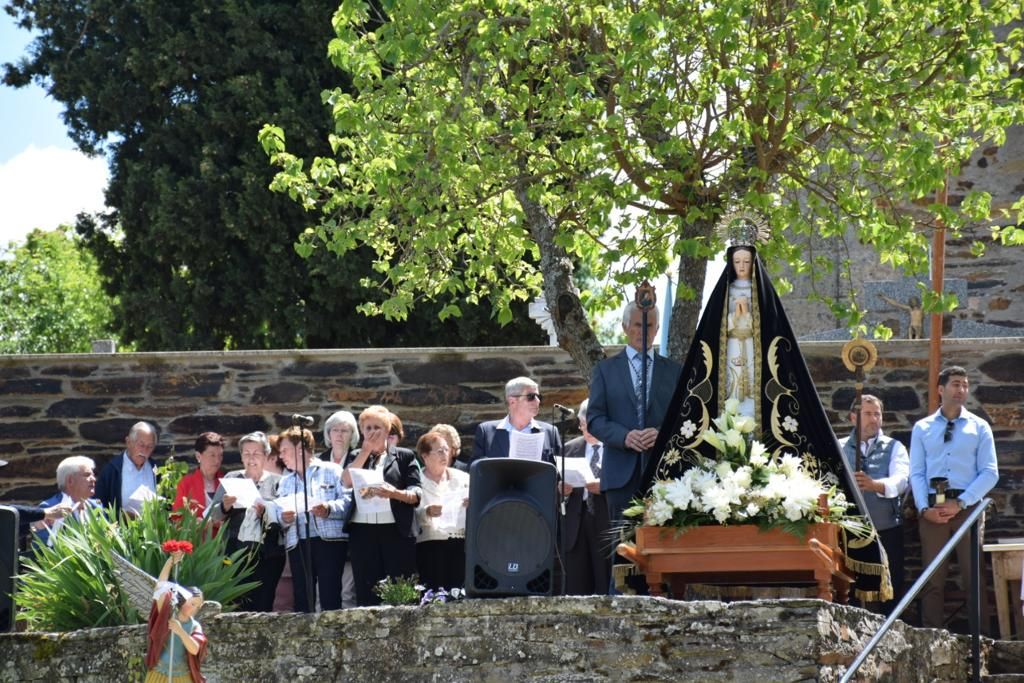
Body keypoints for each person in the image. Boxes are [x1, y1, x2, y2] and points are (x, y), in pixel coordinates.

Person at [642, 240, 892, 603]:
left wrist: (747, 324)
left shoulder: (767, 308)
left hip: (758, 390)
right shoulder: (720, 304)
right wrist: (733, 324)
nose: (741, 267)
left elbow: (781, 357)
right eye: (737, 262)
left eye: (746, 262)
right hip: (728, 380)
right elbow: (709, 352)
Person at [910, 365, 999, 631]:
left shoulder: (979, 427)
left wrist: (961, 502)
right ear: (940, 389)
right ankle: (930, 639)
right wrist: (924, 508)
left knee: (974, 578)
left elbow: (990, 472)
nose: (961, 389)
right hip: (932, 509)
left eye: (964, 384)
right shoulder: (922, 428)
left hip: (967, 508)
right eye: (955, 384)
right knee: (932, 578)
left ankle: (981, 643)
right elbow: (916, 473)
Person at [588, 302, 682, 524]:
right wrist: (625, 437)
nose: (644, 331)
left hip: (664, 476)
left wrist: (661, 434)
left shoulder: (674, 371)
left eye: (649, 326)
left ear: (657, 329)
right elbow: (595, 419)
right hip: (620, 477)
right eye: (638, 325)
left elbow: (683, 418)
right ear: (625, 327)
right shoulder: (605, 370)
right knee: (622, 552)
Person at [343, 405, 422, 606]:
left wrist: (394, 493)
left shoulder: (404, 457)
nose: (372, 432)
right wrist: (365, 451)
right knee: (366, 586)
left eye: (377, 427)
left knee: (399, 587)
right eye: (367, 428)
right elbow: (346, 481)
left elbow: (416, 493)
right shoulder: (356, 456)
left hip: (395, 530)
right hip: (363, 530)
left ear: (387, 431)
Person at [838, 395, 909, 613]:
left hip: (886, 526)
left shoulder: (894, 447)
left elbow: (902, 480)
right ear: (853, 417)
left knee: (892, 583)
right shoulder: (838, 446)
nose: (874, 419)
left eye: (877, 414)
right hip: (848, 529)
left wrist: (875, 485)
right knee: (847, 583)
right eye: (867, 414)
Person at [272, 426, 352, 613]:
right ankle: (306, 639)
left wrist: (328, 509)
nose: (281, 456)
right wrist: (284, 517)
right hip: (298, 542)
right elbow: (278, 513)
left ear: (299, 447)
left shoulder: (331, 469)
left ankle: (332, 636)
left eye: (284, 450)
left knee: (330, 594)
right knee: (302, 595)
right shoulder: (285, 481)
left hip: (329, 541)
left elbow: (348, 501)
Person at [208, 432, 285, 611]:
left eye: (256, 453)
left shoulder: (278, 482)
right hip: (235, 551)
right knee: (237, 603)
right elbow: (213, 515)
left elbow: (285, 518)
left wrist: (266, 513)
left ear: (266, 456)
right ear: (241, 456)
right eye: (246, 453)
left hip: (268, 552)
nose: (251, 458)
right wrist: (225, 506)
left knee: (264, 602)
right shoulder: (231, 478)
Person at [560, 399, 611, 596]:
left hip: (605, 520)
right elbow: (556, 482)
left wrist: (603, 486)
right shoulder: (569, 448)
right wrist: (560, 488)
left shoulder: (617, 448)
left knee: (604, 581)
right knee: (576, 586)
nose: (586, 430)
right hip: (576, 523)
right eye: (582, 425)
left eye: (591, 425)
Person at [415, 431, 470, 592]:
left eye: (447, 450)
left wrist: (471, 503)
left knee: (457, 591)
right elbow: (409, 514)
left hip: (458, 541)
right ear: (425, 456)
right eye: (439, 451)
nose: (445, 454)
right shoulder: (417, 480)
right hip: (429, 544)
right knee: (432, 592)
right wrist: (427, 512)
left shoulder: (463, 478)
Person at [145, 550, 207, 683]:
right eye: (191, 603)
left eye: (197, 606)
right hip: (159, 674)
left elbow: (195, 649)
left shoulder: (195, 626)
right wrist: (170, 562)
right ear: (183, 600)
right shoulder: (168, 615)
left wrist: (180, 631)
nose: (193, 608)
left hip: (182, 676)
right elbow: (159, 590)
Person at [469, 377, 561, 465]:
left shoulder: (550, 431)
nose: (537, 401)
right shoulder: (487, 431)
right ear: (512, 401)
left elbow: (559, 472)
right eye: (531, 396)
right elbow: (474, 467)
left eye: (539, 397)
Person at [34, 456, 101, 547]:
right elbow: (45, 549)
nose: (94, 479)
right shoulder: (49, 507)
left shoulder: (97, 506)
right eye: (87, 475)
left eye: (93, 475)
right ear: (70, 480)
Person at [96, 421, 159, 515]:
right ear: (128, 442)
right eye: (141, 445)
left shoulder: (157, 470)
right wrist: (122, 517)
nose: (145, 450)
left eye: (150, 446)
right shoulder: (112, 471)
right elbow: (99, 507)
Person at [172, 432, 225, 520]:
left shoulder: (226, 482)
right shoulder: (186, 483)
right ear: (198, 456)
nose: (217, 460)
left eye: (220, 455)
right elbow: (177, 517)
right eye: (212, 455)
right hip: (196, 533)